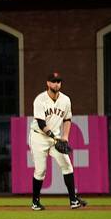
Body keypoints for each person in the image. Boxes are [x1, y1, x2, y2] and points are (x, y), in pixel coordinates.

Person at [30, 71, 87, 210]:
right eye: (54, 81)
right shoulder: (40, 99)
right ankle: (35, 202)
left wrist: (65, 137)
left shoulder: (66, 100)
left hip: (55, 138)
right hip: (39, 137)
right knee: (40, 170)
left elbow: (67, 119)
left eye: (58, 81)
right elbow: (41, 124)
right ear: (48, 83)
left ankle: (73, 200)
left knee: (67, 165)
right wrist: (55, 137)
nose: (56, 84)